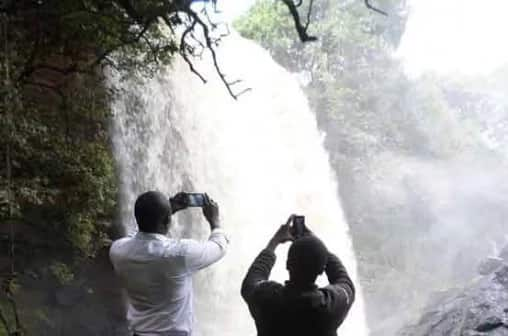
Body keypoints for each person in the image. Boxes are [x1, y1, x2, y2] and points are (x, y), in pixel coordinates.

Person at [110, 191, 228, 336]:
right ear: (167, 221)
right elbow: (219, 247)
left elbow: (136, 235)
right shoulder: (179, 254)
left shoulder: (118, 250)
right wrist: (214, 221)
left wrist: (167, 211)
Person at [241, 215, 354, 336]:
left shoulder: (267, 299)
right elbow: (344, 281)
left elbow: (252, 280)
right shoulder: (331, 305)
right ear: (322, 270)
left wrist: (274, 242)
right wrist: (318, 246)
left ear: (288, 264)